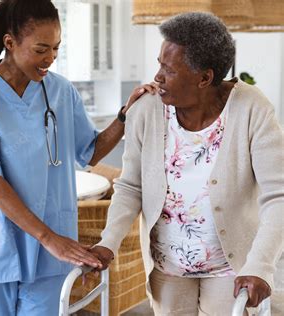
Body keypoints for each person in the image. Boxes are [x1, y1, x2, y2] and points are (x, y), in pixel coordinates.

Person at [0, 0, 156, 314]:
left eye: (56, 49)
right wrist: (47, 237)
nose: (50, 59)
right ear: (9, 42)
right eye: (41, 49)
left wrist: (124, 117)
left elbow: (90, 150)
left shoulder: (60, 91)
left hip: (52, 249)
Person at [90, 12, 283, 315]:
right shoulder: (148, 109)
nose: (157, 77)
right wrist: (108, 242)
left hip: (229, 268)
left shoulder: (252, 109)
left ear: (204, 77)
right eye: (159, 65)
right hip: (167, 267)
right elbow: (130, 187)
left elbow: (278, 196)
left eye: (168, 69)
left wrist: (260, 266)